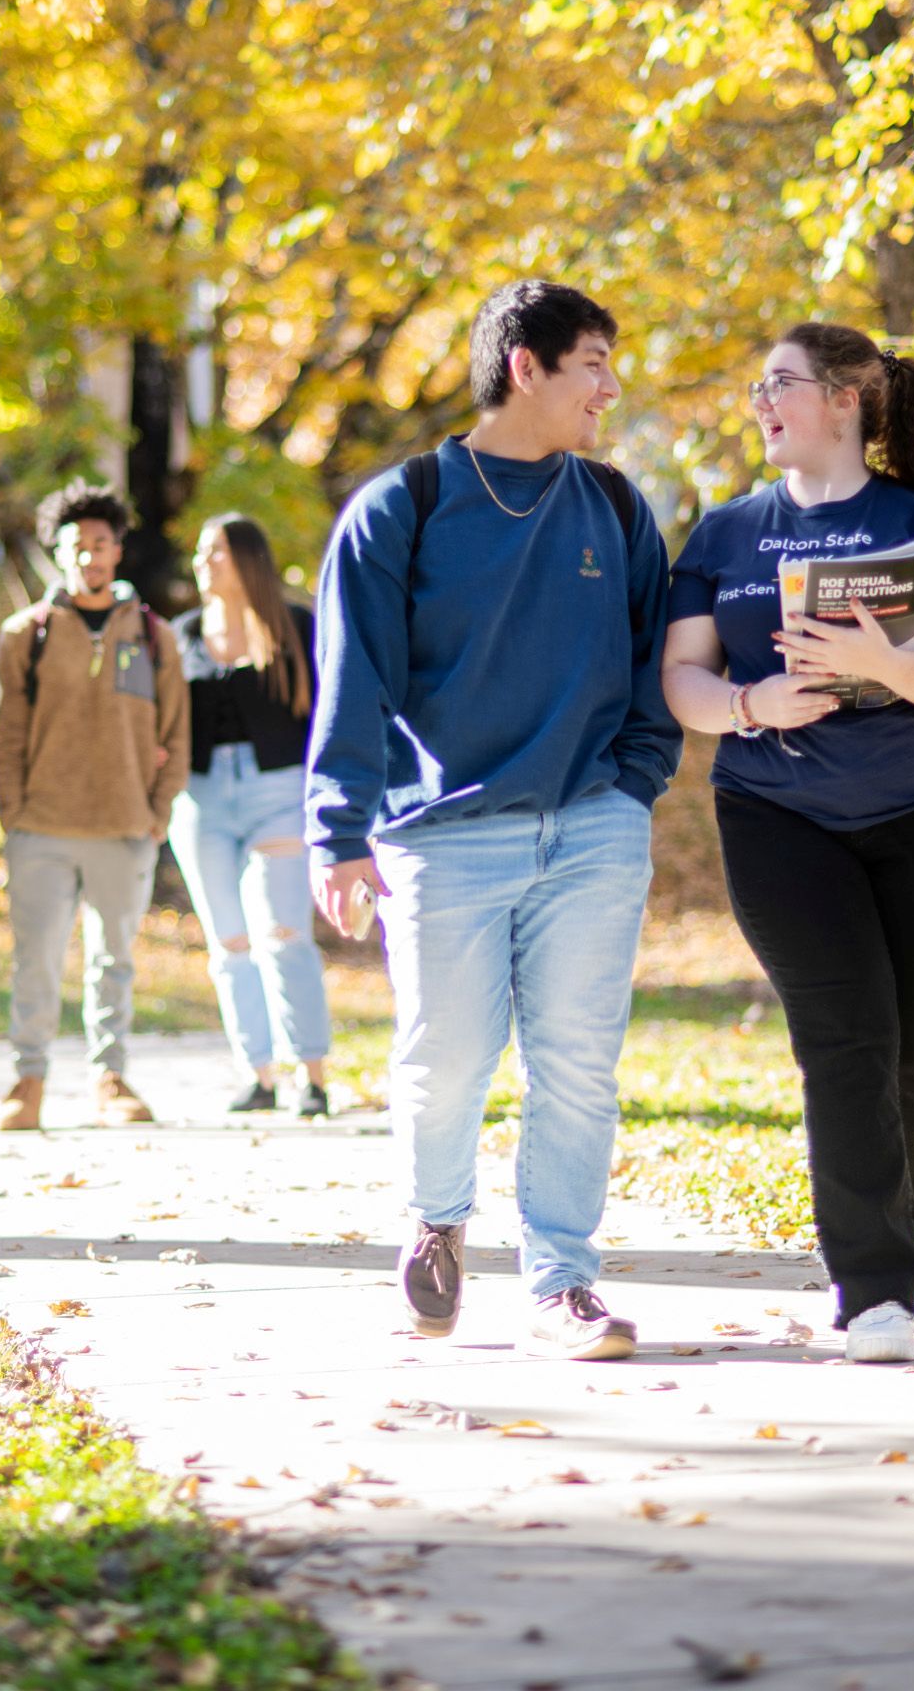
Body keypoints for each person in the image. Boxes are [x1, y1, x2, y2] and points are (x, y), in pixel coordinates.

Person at [305, 280, 682, 1360]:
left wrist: (634, 779)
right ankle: (437, 1223)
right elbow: (353, 680)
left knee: (576, 1062)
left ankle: (564, 1281)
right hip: (442, 835)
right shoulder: (404, 505)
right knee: (447, 1059)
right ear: (526, 365)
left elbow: (659, 653)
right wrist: (337, 832)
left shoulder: (613, 505)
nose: (611, 387)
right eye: (594, 364)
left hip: (593, 829)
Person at [660, 323, 914, 1364]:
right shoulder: (724, 533)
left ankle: (883, 1250)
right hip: (778, 815)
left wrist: (877, 660)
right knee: (845, 1041)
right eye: (757, 385)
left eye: (782, 385)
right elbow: (682, 681)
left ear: (849, 398)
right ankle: (875, 1288)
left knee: (907, 1048)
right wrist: (752, 700)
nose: (762, 402)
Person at [0, 480, 188, 1130]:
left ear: (117, 550)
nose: (90, 556)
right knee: (37, 957)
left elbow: (175, 733)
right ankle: (29, 1079)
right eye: (77, 545)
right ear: (59, 550)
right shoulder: (29, 633)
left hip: (125, 826)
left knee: (114, 960)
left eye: (101, 544)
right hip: (41, 826)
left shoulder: (154, 635)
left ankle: (110, 1077)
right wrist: (12, 809)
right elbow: (8, 731)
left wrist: (156, 811)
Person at [167, 516, 332, 1116]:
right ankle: (258, 1075)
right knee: (230, 943)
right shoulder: (179, 635)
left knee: (284, 933)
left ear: (249, 562)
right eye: (201, 551)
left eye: (218, 552)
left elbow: (326, 719)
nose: (203, 562)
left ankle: (310, 1076)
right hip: (200, 799)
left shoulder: (296, 627)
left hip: (279, 792)